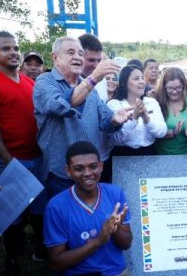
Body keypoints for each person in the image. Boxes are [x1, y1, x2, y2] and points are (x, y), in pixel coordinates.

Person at [44, 141, 163, 276]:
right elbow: (56, 262)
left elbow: (126, 244)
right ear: (68, 171)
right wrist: (99, 240)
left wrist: (115, 230)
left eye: (93, 166)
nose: (88, 173)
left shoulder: (114, 193)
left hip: (118, 272)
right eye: (79, 168)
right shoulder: (57, 206)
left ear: (101, 166)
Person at [0, 31, 45, 276]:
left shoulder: (29, 82)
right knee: (12, 216)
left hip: (37, 157)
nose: (13, 52)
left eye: (16, 48)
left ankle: (40, 252)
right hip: (7, 159)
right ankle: (12, 262)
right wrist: (7, 160)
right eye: (6, 48)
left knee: (39, 209)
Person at [33, 36, 126, 198]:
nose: (77, 57)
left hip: (90, 172)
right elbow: (59, 106)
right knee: (63, 219)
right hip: (61, 174)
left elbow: (105, 120)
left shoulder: (89, 86)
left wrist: (115, 119)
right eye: (71, 52)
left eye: (80, 53)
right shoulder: (44, 81)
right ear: (55, 57)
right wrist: (94, 78)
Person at [107, 65, 166, 156]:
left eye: (142, 78)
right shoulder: (114, 104)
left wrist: (146, 118)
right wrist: (134, 118)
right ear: (124, 82)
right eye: (136, 78)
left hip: (149, 153)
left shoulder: (151, 102)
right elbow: (115, 139)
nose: (142, 82)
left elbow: (162, 132)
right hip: (122, 155)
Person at [154, 67, 187, 155]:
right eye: (170, 88)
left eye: (178, 88)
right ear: (163, 87)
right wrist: (173, 132)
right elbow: (152, 132)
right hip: (161, 156)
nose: (174, 92)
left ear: (184, 86)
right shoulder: (157, 100)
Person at [79, 33, 113, 103]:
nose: (96, 65)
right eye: (91, 60)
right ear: (79, 57)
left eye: (99, 60)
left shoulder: (102, 80)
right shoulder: (67, 82)